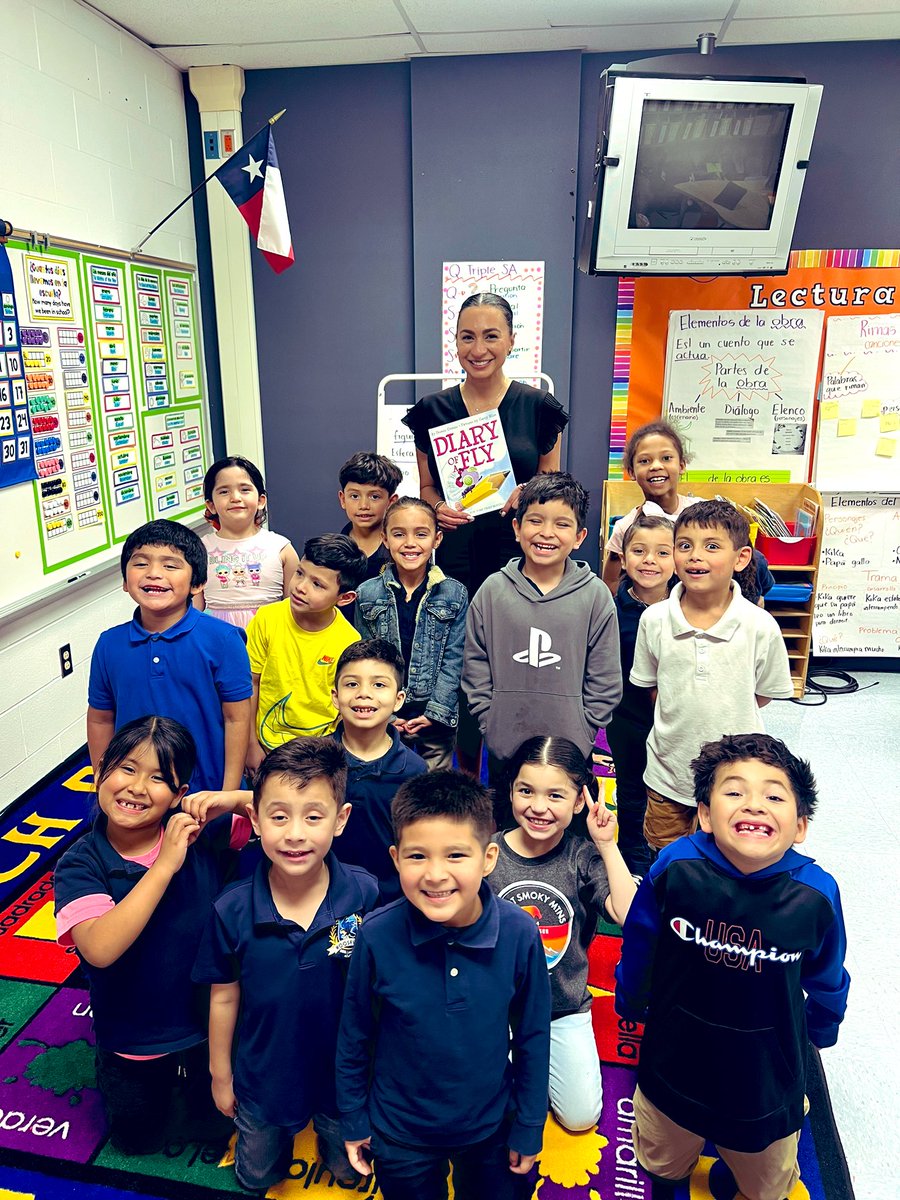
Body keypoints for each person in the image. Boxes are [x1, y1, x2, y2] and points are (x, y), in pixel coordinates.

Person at [615, 733, 850, 1200]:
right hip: (674, 1062)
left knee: (765, 1185)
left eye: (774, 795)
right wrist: (631, 999)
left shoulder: (816, 896)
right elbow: (641, 941)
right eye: (734, 791)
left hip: (764, 1079)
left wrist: (821, 1031)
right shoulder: (674, 867)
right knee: (663, 1161)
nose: (754, 804)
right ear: (704, 815)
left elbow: (828, 976)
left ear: (800, 825)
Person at [336, 770, 551, 1200]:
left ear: (488, 858)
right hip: (399, 1132)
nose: (435, 875)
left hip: (490, 1127)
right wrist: (354, 1119)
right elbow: (354, 1035)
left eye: (456, 855)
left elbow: (532, 1035)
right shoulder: (376, 934)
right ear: (395, 858)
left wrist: (529, 1124)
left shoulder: (518, 934)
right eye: (417, 857)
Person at [53, 716, 251, 1155]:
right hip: (134, 1037)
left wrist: (231, 799)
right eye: (126, 768)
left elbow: (283, 816)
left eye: (159, 778)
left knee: (213, 1127)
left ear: (179, 794)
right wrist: (164, 866)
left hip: (208, 1030)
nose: (138, 788)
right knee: (137, 1140)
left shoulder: (195, 829)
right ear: (101, 768)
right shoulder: (80, 863)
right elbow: (101, 949)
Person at [193, 738, 380, 1192]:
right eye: (279, 816)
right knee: (256, 1172)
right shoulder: (231, 909)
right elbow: (223, 996)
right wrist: (221, 1074)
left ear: (341, 821)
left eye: (313, 816)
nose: (295, 833)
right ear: (255, 820)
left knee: (346, 1169)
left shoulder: (364, 894)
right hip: (263, 1076)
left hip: (344, 1076)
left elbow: (375, 990)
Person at [402, 292, 568, 774]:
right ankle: (466, 778)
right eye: (467, 336)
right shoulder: (431, 410)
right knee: (462, 666)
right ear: (454, 342)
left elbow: (551, 485)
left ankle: (526, 774)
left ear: (512, 340)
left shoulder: (538, 407)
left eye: (491, 335)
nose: (479, 347)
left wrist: (531, 494)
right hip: (457, 557)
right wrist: (437, 509)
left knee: (517, 663)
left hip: (521, 560)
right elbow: (428, 487)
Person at [488, 736, 636, 1132]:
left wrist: (606, 845)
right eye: (526, 791)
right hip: (494, 1004)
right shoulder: (489, 853)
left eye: (556, 794)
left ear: (579, 800)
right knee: (483, 1106)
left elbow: (628, 914)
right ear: (511, 791)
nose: (538, 807)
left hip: (562, 1007)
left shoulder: (581, 856)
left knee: (581, 1117)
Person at [631, 500, 793, 854]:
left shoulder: (759, 626)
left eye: (712, 546)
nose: (694, 556)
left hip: (737, 781)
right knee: (668, 860)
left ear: (741, 558)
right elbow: (652, 686)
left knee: (728, 860)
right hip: (667, 774)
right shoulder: (654, 620)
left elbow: (762, 694)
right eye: (685, 545)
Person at [463, 472, 621, 797]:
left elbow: (605, 675)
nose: (546, 533)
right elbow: (475, 665)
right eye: (535, 520)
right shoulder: (492, 591)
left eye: (562, 524)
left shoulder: (594, 595)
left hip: (571, 751)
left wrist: (584, 728)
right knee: (506, 831)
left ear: (579, 537)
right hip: (504, 746)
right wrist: (490, 722)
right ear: (517, 528)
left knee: (568, 839)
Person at [87, 519, 252, 793]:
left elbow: (237, 719)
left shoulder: (223, 640)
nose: (153, 573)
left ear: (197, 583)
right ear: (125, 582)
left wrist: (229, 794)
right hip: (135, 793)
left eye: (170, 565)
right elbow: (101, 718)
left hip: (205, 791)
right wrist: (103, 779)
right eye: (140, 563)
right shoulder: (109, 644)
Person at [601, 420, 774, 605]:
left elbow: (749, 562)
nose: (656, 466)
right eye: (644, 461)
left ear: (682, 465)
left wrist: (754, 600)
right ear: (631, 471)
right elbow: (610, 580)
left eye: (666, 458)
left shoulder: (702, 514)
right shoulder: (626, 526)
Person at [354, 497, 468, 770]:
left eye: (421, 534)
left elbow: (455, 659)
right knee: (386, 783)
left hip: (434, 715)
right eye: (398, 534)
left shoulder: (454, 593)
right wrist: (386, 714)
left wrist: (436, 712)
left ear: (437, 539)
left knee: (432, 794)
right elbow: (363, 658)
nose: (410, 543)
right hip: (383, 713)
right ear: (385, 538)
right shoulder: (367, 593)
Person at [245, 534, 366, 769]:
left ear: (345, 598)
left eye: (317, 584)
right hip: (265, 746)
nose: (300, 587)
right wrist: (250, 744)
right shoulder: (267, 619)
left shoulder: (349, 641)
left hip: (320, 752)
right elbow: (251, 683)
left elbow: (345, 705)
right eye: (300, 573)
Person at [605, 513, 676, 878]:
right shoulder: (611, 609)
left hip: (678, 722)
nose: (650, 560)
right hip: (628, 719)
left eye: (663, 552)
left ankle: (673, 865)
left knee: (674, 793)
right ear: (624, 556)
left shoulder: (686, 608)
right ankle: (633, 865)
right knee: (631, 790)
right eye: (639, 551)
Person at [331, 638, 428, 900]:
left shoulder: (414, 770)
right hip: (325, 898)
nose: (364, 693)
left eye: (379, 684)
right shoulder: (318, 761)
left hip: (390, 899)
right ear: (335, 696)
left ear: (398, 700)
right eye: (352, 684)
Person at [198, 455, 300, 629]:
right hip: (217, 638)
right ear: (211, 505)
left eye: (245, 489)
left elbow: (294, 609)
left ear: (261, 500)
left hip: (270, 636)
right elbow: (195, 609)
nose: (235, 497)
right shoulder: (200, 549)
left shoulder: (281, 548)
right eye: (224, 491)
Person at [338, 451, 402, 584]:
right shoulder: (333, 551)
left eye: (375, 497)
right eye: (355, 496)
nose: (364, 505)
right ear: (343, 499)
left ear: (391, 502)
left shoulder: (402, 550)